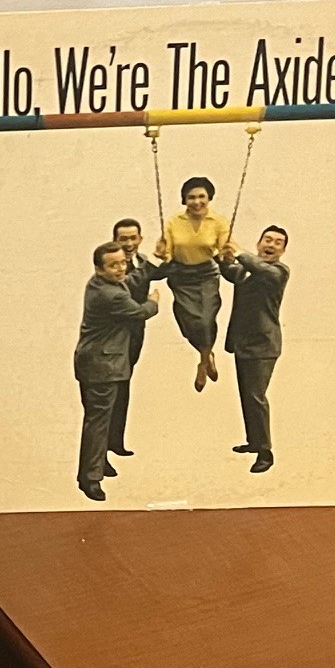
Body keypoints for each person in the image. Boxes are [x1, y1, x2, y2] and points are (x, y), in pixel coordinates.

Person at [74, 241, 159, 501]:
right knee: (98, 423)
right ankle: (90, 479)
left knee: (99, 420)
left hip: (97, 363)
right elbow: (140, 312)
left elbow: (131, 279)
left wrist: (153, 259)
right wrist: (154, 300)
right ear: (99, 269)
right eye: (113, 265)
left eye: (123, 262)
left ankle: (97, 465)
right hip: (102, 366)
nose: (121, 268)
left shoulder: (102, 283)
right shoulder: (111, 295)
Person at [221, 226, 291, 474]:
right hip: (242, 342)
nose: (271, 245)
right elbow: (232, 273)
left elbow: (260, 270)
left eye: (278, 243)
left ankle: (265, 452)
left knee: (256, 397)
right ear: (259, 242)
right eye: (267, 240)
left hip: (264, 345)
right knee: (246, 395)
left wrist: (238, 252)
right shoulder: (249, 270)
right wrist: (224, 256)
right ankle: (254, 441)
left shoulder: (279, 272)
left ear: (283, 251)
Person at [153, 175, 231, 392]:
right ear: (184, 200)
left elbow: (225, 247)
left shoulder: (219, 221)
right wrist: (162, 253)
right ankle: (207, 355)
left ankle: (203, 362)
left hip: (206, 274)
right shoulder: (173, 221)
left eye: (201, 197)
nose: (197, 202)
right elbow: (166, 249)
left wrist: (229, 254)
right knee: (189, 323)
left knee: (205, 319)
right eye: (191, 197)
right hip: (181, 276)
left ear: (209, 198)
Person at [108, 217, 163, 458]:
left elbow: (165, 269)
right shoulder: (111, 266)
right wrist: (153, 302)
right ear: (115, 241)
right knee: (112, 390)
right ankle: (105, 447)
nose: (129, 243)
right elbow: (131, 283)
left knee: (124, 386)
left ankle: (115, 442)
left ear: (140, 239)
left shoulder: (141, 262)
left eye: (133, 238)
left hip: (135, 335)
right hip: (114, 338)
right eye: (123, 239)